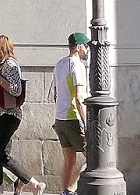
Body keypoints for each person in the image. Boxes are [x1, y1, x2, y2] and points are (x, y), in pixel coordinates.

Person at [0, 35, 45, 195]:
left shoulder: (10, 65)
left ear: (0, 49)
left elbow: (16, 89)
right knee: (0, 155)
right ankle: (31, 183)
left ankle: (1, 191)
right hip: (1, 116)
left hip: (10, 116)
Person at [50, 33, 89, 195]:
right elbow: (79, 97)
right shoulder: (77, 65)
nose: (87, 50)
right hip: (74, 117)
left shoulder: (59, 64)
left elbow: (55, 94)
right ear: (78, 47)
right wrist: (86, 124)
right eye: (86, 46)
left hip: (60, 118)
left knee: (69, 160)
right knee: (94, 158)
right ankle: (71, 191)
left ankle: (64, 191)